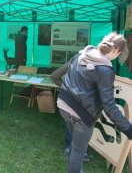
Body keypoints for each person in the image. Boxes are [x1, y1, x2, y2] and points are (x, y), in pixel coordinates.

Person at [57, 32, 132, 173]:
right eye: (119, 54)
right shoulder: (105, 70)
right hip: (80, 115)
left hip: (63, 105)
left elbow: (63, 77)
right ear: (116, 50)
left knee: (75, 143)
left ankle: (76, 168)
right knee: (79, 150)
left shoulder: (79, 56)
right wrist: (128, 129)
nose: (117, 57)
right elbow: (109, 106)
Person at [50, 62, 90, 162]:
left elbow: (53, 76)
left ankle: (78, 150)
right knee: (73, 123)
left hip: (85, 102)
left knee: (82, 125)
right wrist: (65, 87)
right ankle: (70, 148)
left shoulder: (96, 65)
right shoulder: (73, 62)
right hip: (75, 101)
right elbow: (54, 76)